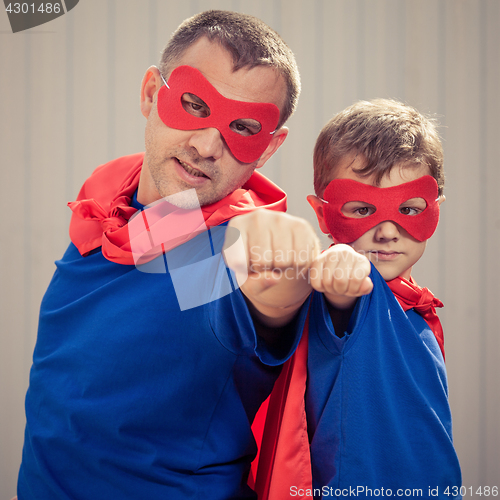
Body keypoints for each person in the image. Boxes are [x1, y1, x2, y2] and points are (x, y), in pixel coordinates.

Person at [17, 10, 320, 500]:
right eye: (195, 105)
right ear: (151, 94)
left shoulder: (220, 254)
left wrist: (288, 250)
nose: (206, 144)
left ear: (267, 150)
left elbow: (270, 282)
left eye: (242, 126)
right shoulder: (106, 204)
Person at [249, 99, 462, 498]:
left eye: (409, 208)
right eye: (362, 209)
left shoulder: (415, 306)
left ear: (435, 208)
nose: (386, 231)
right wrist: (339, 264)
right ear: (323, 214)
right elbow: (342, 276)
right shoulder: (355, 291)